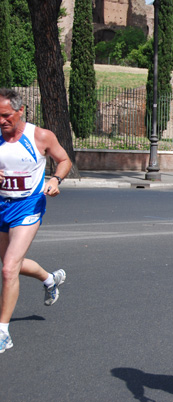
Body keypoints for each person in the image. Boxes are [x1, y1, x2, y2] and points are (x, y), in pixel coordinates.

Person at [0, 88, 73, 353]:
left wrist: (55, 179)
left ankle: (3, 333)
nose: (1, 121)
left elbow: (64, 160)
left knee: (8, 268)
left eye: (6, 115)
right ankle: (50, 279)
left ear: (20, 111)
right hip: (1, 204)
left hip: (28, 205)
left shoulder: (40, 136)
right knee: (12, 265)